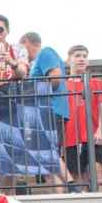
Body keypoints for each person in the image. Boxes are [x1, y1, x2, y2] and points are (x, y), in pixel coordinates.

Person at [21, 32, 71, 188]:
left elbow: (55, 78)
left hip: (49, 110)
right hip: (45, 112)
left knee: (48, 152)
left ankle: (72, 185)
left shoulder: (45, 53)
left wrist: (30, 91)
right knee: (44, 158)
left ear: (27, 42)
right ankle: (59, 194)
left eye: (21, 47)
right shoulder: (37, 61)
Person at [63, 46, 102, 187]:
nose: (82, 59)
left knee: (98, 176)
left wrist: (100, 130)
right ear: (68, 60)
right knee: (77, 180)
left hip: (93, 137)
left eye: (84, 56)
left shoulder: (97, 83)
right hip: (69, 139)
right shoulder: (62, 85)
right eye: (77, 55)